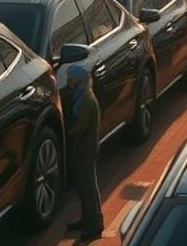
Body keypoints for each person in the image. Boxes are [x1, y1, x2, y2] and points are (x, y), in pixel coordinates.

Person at [66, 64, 103, 242]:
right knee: (83, 186)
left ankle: (94, 224)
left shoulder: (87, 101)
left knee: (88, 187)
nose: (69, 83)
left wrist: (67, 134)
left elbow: (82, 126)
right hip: (82, 149)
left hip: (86, 150)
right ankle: (87, 219)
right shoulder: (82, 97)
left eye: (72, 79)